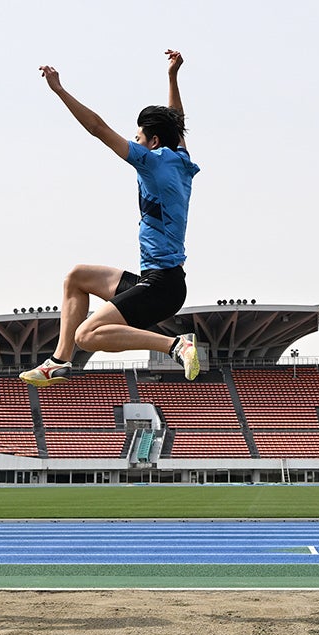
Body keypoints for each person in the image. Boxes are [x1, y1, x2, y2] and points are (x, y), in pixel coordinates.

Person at [20, 51, 205, 387]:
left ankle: (176, 345)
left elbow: (97, 128)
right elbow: (175, 120)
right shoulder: (181, 159)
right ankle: (58, 363)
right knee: (77, 277)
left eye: (138, 138)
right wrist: (172, 77)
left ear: (153, 142)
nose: (134, 142)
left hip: (162, 286)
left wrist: (60, 91)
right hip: (159, 279)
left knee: (88, 335)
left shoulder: (149, 161)